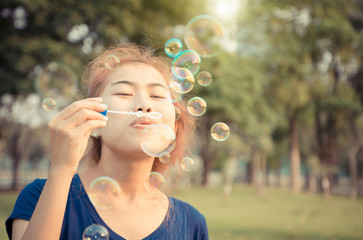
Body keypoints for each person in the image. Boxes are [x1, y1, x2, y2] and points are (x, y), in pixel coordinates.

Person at [6, 43, 209, 240]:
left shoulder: (192, 223)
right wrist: (61, 169)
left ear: (173, 126)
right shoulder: (39, 197)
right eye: (124, 93)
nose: (144, 105)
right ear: (93, 120)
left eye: (157, 95)